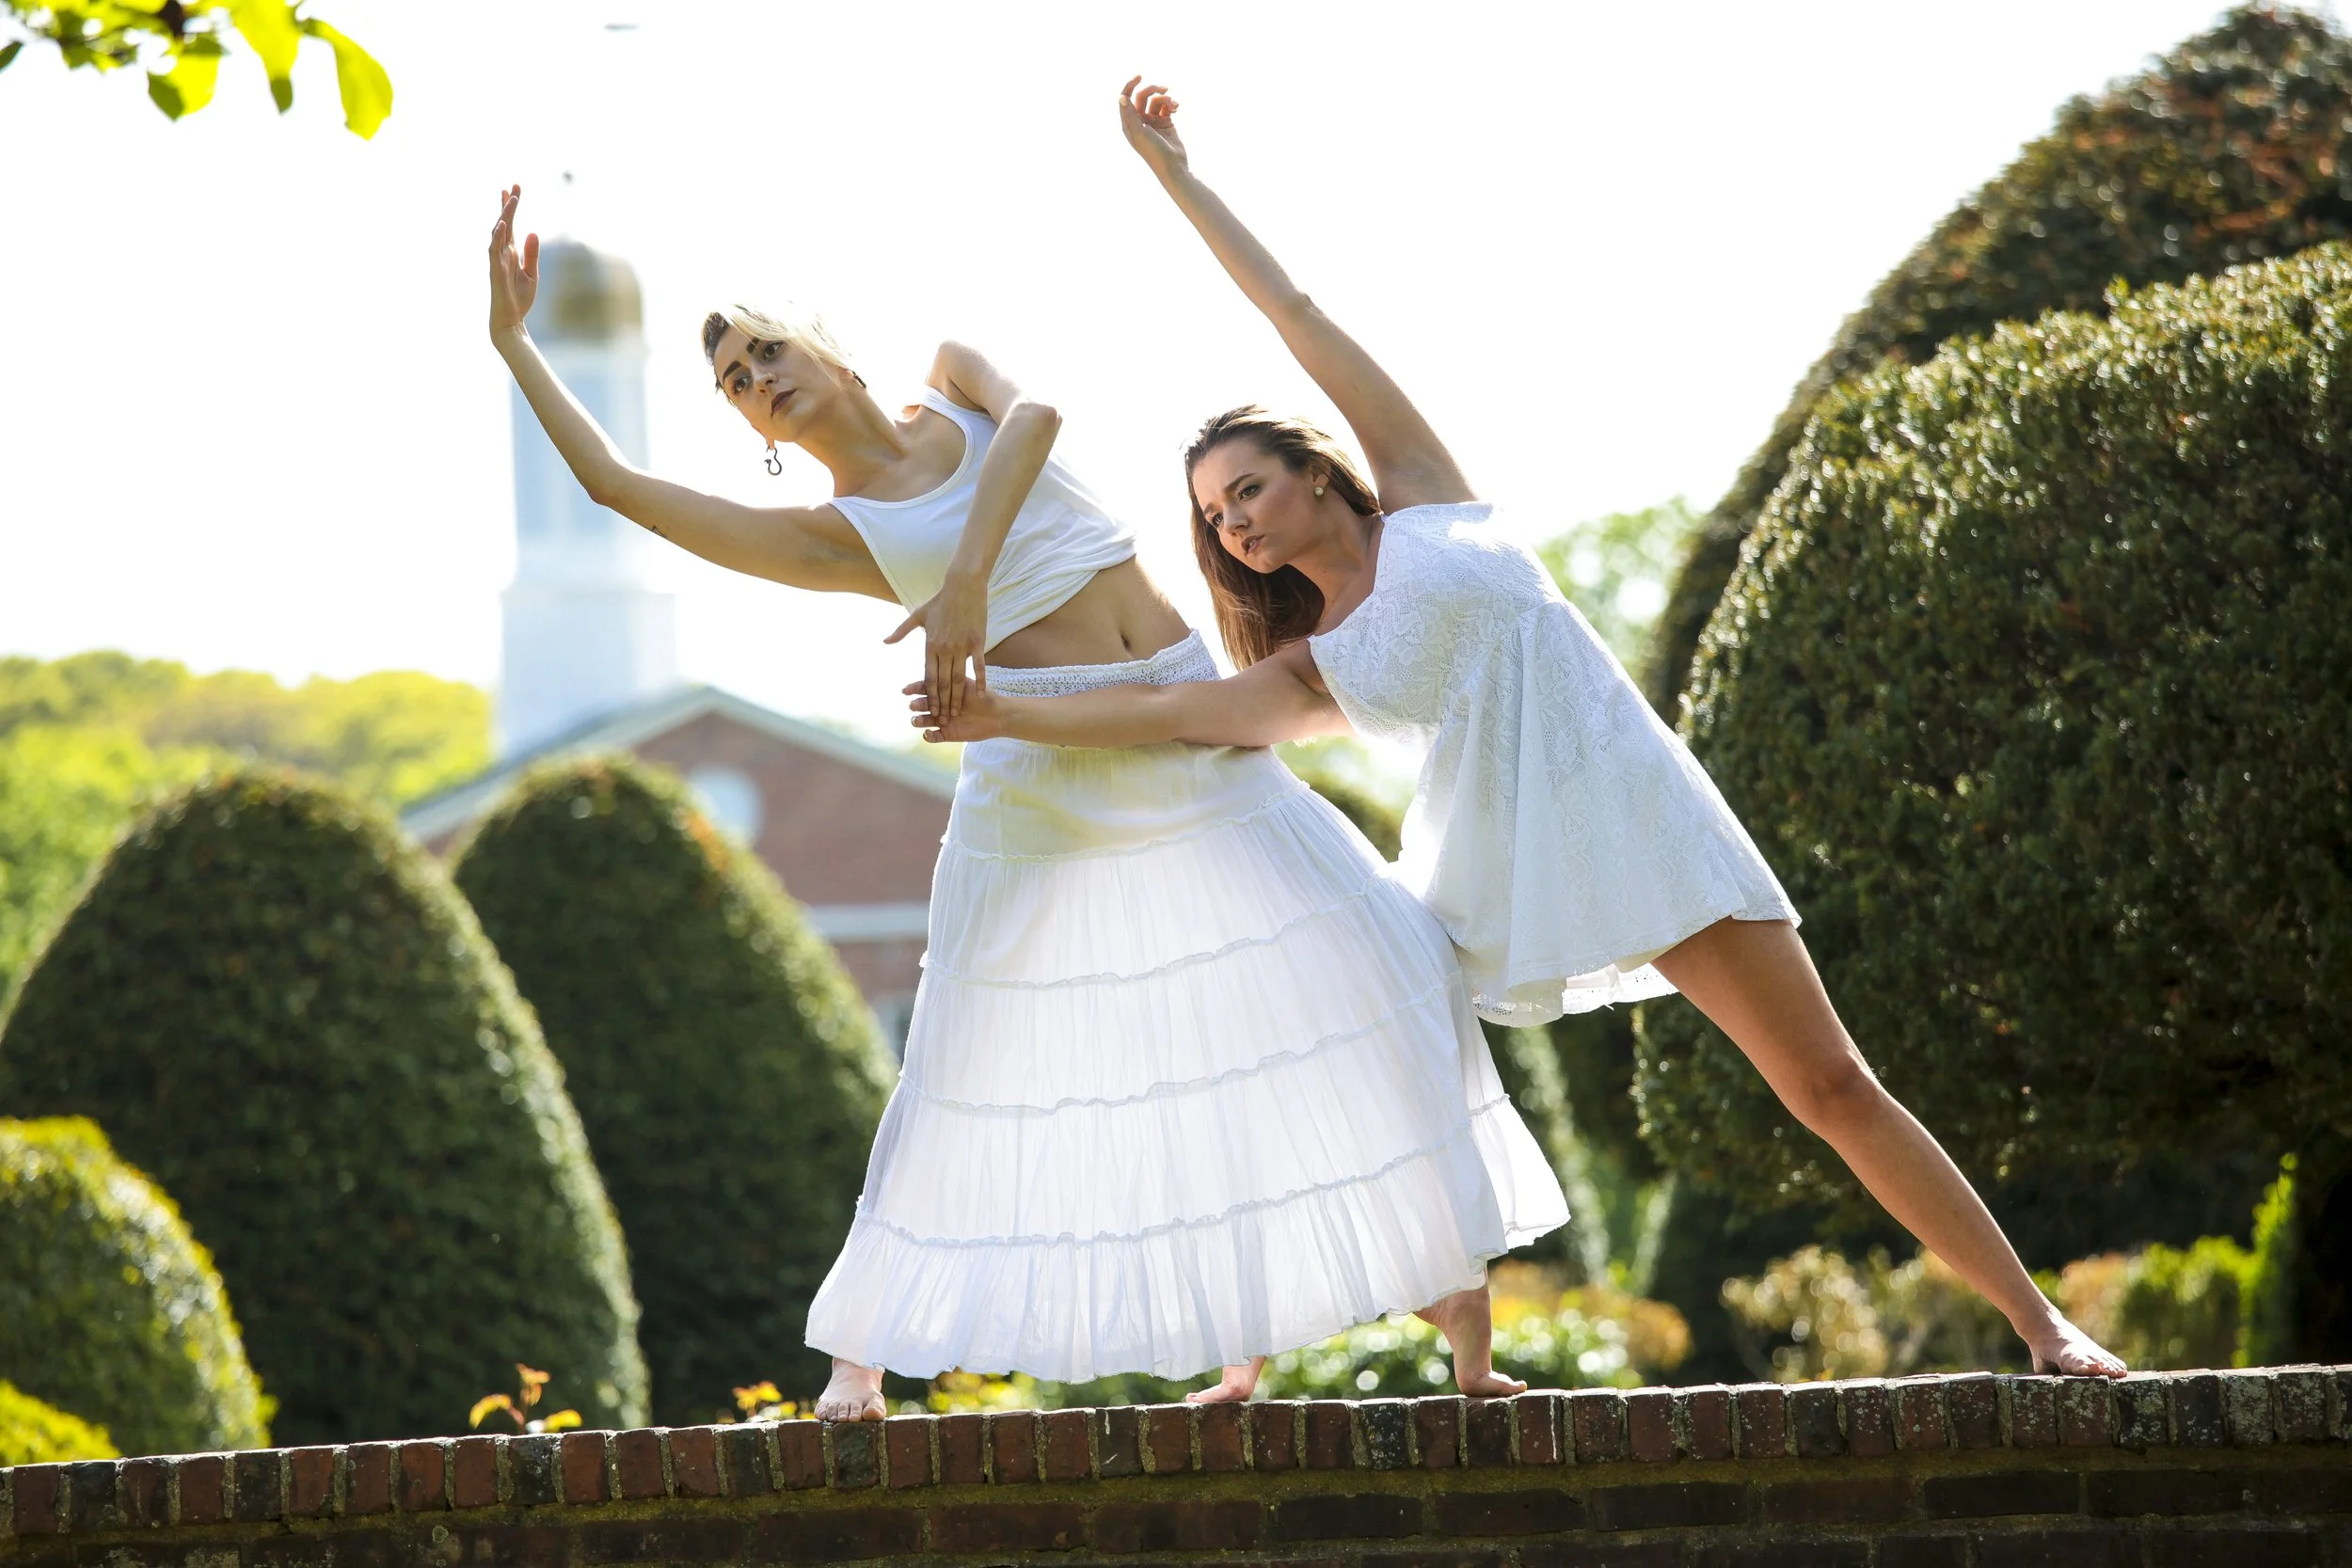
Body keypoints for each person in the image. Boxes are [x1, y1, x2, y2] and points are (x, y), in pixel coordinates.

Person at [907, 85, 2130, 1379]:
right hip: (1496, 884)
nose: (1233, 526)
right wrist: (993, 708)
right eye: (1212, 517)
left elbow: (1297, 313)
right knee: (1352, 1012)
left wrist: (1177, 178)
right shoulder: (1311, 666)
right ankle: (1359, 1328)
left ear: (1317, 470)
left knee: (1833, 1088)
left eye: (1247, 489)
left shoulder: (1428, 498)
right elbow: (1163, 708)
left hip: (1645, 821)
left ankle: (2045, 1329)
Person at [485, 187, 1569, 1419]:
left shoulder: (953, 382)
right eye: (735, 378)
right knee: (962, 1051)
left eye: (766, 348)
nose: (757, 376)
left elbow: (1040, 419)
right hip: (1036, 781)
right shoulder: (837, 537)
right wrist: (515, 342)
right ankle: (857, 1356)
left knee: (1382, 959)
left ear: (820, 343)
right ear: (748, 420)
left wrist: (961, 590)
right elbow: (623, 488)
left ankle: (1462, 1341)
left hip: (1174, 719)